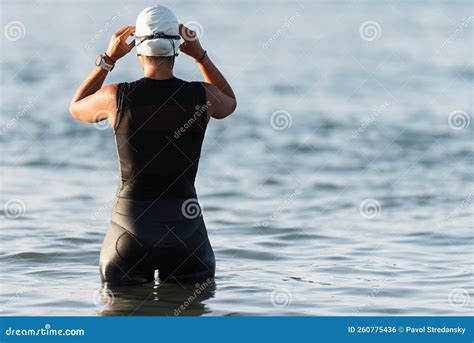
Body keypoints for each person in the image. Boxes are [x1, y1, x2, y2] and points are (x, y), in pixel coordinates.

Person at [70, 5, 236, 285]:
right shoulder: (203, 95)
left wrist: (108, 59)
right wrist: (201, 57)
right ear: (176, 50)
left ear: (136, 50)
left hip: (129, 233)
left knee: (122, 327)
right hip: (186, 237)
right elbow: (229, 103)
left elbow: (76, 107)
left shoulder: (115, 96)